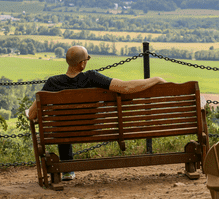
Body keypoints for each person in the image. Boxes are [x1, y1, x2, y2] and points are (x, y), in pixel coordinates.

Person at [27, 45, 166, 180]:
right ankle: (68, 169)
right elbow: (126, 87)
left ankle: (67, 170)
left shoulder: (52, 83)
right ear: (82, 64)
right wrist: (156, 79)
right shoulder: (92, 77)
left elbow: (32, 115)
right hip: (91, 130)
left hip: (63, 133)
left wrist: (29, 112)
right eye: (87, 59)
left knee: (64, 124)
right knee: (70, 122)